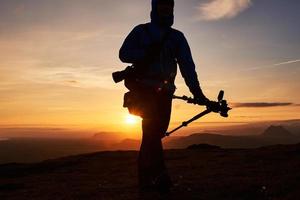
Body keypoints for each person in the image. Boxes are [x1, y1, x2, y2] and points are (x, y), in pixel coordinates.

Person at [118, 0, 208, 194]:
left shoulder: (177, 37)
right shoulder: (141, 31)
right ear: (154, 7)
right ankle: (159, 179)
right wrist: (145, 53)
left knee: (154, 134)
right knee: (151, 132)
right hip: (143, 91)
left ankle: (148, 180)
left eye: (170, 5)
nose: (166, 8)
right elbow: (123, 54)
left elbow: (187, 66)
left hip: (165, 93)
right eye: (163, 5)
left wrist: (197, 92)